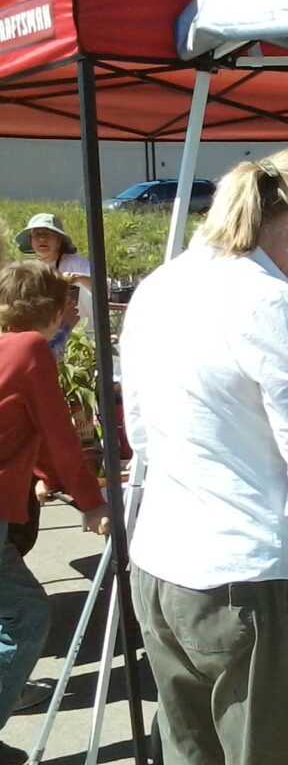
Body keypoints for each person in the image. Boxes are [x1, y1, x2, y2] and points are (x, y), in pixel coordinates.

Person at [119, 147, 288, 765]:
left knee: (189, 752)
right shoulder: (267, 299)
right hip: (247, 578)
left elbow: (142, 437)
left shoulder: (159, 284)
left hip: (159, 567)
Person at [0, 260, 111, 765]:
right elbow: (61, 435)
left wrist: (46, 476)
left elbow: (29, 431)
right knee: (25, 618)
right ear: (48, 308)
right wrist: (92, 502)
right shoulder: (30, 349)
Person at [15, 213, 89, 356]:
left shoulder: (76, 263)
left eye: (48, 234)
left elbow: (104, 288)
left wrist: (78, 278)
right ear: (31, 241)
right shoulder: (29, 270)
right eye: (37, 235)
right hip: (47, 339)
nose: (42, 239)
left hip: (82, 336)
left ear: (59, 241)